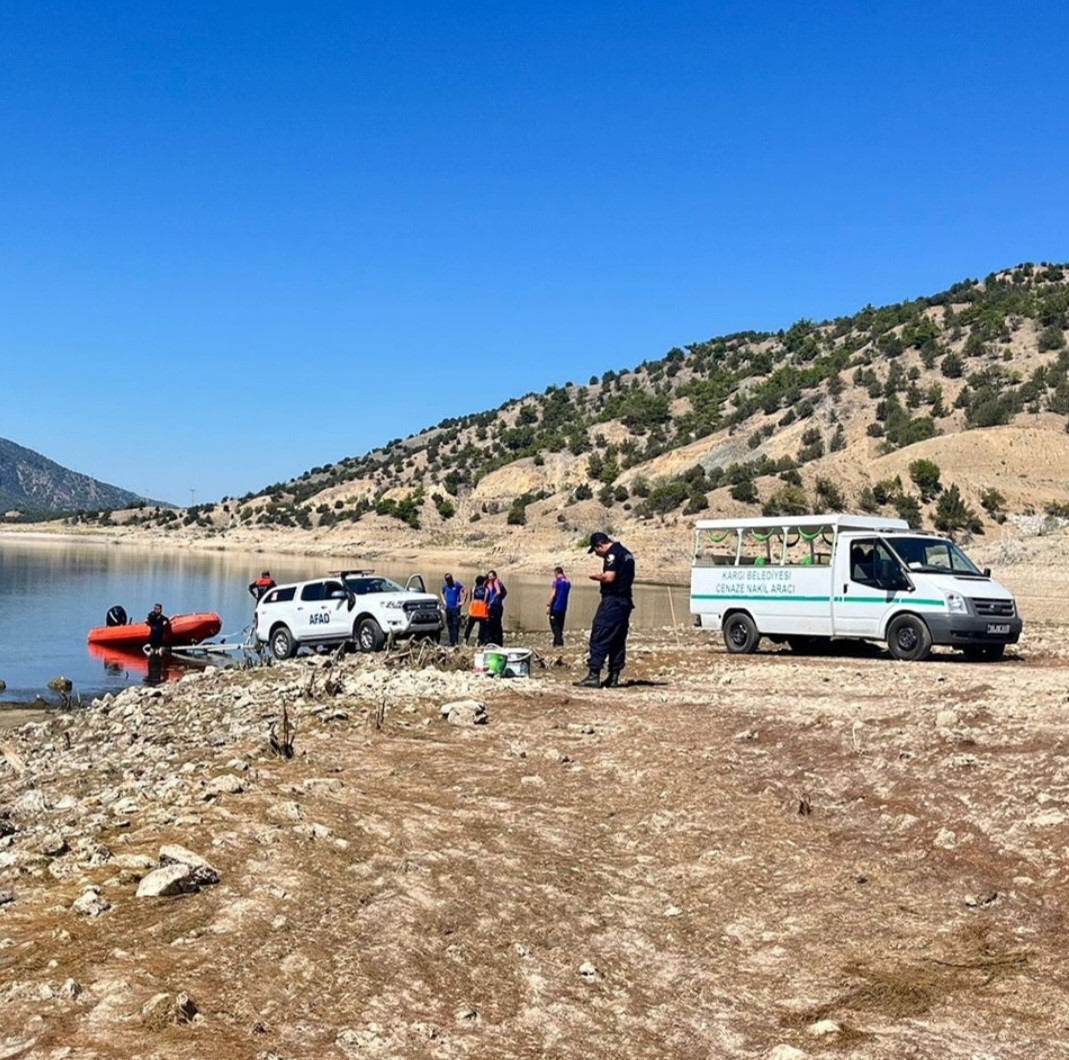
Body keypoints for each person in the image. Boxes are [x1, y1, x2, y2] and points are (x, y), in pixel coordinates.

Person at [574, 532, 635, 689]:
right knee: (617, 639)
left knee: (600, 634)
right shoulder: (627, 553)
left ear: (600, 545)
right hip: (625, 602)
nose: (597, 554)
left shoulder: (612, 554)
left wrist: (596, 577)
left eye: (595, 551)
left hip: (613, 602)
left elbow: (609, 577)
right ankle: (614, 676)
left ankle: (594, 675)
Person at [546, 566, 571, 648]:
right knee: (560, 626)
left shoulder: (556, 581)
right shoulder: (568, 582)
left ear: (556, 573)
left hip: (556, 607)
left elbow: (553, 594)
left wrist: (548, 605)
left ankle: (559, 642)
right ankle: (555, 644)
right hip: (563, 608)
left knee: (554, 625)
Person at [440, 572, 467, 647]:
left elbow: (465, 591)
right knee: (449, 624)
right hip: (448, 608)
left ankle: (455, 641)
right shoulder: (446, 586)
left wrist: (462, 601)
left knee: (455, 625)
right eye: (447, 580)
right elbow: (441, 592)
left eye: (449, 579)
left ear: (452, 578)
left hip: (455, 608)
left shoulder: (457, 584)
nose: (449, 581)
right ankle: (450, 641)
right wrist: (444, 601)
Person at [464, 575, 491, 645]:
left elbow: (471, 600)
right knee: (482, 628)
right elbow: (487, 601)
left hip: (473, 611)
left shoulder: (472, 590)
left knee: (469, 627)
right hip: (482, 612)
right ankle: (478, 641)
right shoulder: (487, 591)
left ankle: (465, 640)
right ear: (483, 582)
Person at [485, 569, 507, 645]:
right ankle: (491, 640)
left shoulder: (497, 582)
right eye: (489, 576)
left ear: (494, 576)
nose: (490, 577)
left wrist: (497, 599)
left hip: (496, 606)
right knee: (489, 623)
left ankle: (499, 641)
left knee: (497, 622)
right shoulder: (487, 584)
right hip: (489, 606)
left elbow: (502, 592)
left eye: (491, 576)